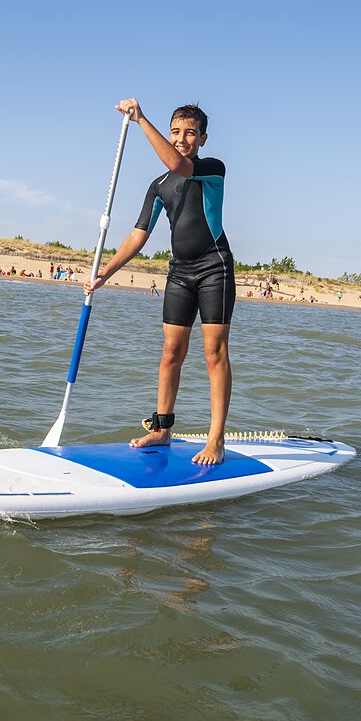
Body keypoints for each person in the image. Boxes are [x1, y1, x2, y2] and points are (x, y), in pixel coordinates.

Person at [85, 99, 233, 465]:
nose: (182, 139)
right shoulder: (159, 185)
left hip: (215, 268)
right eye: (176, 132)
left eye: (190, 133)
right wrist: (107, 271)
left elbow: (177, 163)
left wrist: (140, 120)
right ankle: (162, 428)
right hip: (180, 272)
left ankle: (216, 440)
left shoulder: (210, 169)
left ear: (202, 138)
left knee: (214, 353)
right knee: (170, 354)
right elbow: (138, 234)